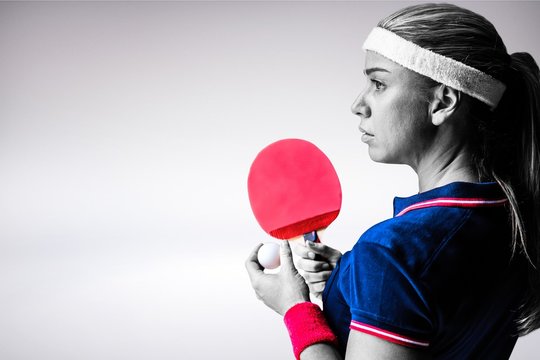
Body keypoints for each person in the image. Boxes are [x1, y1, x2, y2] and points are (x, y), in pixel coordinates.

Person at [245, 3, 540, 359]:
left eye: (378, 83)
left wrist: (296, 310)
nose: (358, 104)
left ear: (442, 102)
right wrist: (353, 279)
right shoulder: (514, 219)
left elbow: (409, 268)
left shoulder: (391, 252)